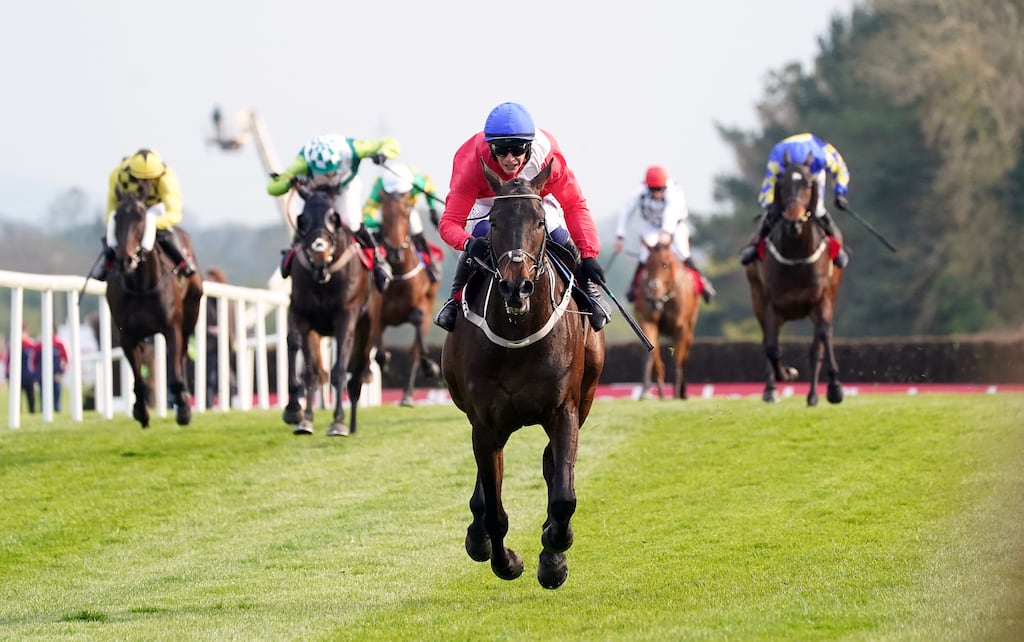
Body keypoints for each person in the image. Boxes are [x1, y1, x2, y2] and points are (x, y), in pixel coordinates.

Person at [434, 101, 610, 331]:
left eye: (517, 149)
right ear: (490, 148)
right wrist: (467, 243)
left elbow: (574, 205)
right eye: (501, 150)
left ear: (529, 146)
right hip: (491, 202)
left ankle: (588, 288)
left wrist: (588, 254)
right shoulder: (472, 162)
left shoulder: (547, 155)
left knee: (556, 233)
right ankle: (454, 300)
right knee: (482, 233)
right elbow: (450, 222)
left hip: (535, 200)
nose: (509, 159)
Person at [267, 133, 400, 292]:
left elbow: (390, 143)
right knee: (310, 219)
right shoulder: (302, 161)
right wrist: (287, 181)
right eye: (324, 172)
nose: (329, 175)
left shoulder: (352, 149)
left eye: (331, 170)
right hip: (319, 191)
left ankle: (378, 259)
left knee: (351, 221)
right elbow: (273, 188)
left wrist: (383, 153)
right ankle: (292, 250)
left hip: (345, 187)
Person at [739, 132, 851, 268]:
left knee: (818, 210)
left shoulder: (822, 155)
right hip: (787, 178)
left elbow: (841, 170)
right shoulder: (778, 156)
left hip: (812, 176)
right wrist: (769, 205)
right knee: (773, 212)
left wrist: (840, 193)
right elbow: (769, 183)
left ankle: (837, 248)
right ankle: (756, 245)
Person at [89, 148, 196, 281]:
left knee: (150, 218)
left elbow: (174, 214)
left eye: (149, 179)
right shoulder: (118, 174)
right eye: (140, 178)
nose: (145, 182)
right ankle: (108, 261)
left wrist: (150, 224)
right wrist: (114, 221)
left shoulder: (167, 178)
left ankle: (182, 260)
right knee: (112, 219)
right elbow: (112, 203)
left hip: (156, 206)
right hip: (131, 208)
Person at [614, 166, 716, 304]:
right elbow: (627, 211)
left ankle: (703, 284)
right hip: (652, 226)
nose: (657, 193)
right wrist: (620, 236)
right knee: (645, 255)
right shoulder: (640, 192)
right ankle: (634, 287)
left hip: (675, 226)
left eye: (660, 189)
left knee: (682, 253)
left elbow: (671, 212)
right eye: (653, 190)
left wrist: (666, 232)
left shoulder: (674, 192)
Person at [361, 163, 443, 282]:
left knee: (416, 229)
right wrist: (380, 225)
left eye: (403, 193)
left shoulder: (418, 182)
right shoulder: (379, 187)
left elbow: (430, 189)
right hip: (388, 213)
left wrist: (432, 209)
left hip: (408, 209)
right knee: (377, 234)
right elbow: (366, 216)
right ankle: (376, 266)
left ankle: (431, 264)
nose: (399, 196)